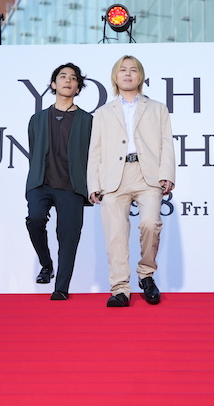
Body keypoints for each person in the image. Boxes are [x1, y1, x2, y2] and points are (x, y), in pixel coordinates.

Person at [87, 55, 176, 307]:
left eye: (133, 70)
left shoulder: (157, 108)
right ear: (115, 77)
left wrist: (167, 173)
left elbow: (167, 143)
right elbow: (95, 150)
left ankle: (146, 274)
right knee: (115, 235)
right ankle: (120, 288)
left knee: (150, 224)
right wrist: (94, 184)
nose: (128, 74)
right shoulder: (103, 113)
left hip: (148, 175)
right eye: (123, 70)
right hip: (113, 178)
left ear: (141, 76)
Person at [25, 63, 93, 301]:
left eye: (73, 78)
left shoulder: (88, 120)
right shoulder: (37, 119)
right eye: (62, 77)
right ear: (53, 84)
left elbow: (93, 156)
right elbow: (34, 151)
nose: (68, 81)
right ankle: (46, 264)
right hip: (41, 183)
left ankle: (61, 288)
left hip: (72, 186)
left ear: (78, 88)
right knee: (34, 220)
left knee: (69, 236)